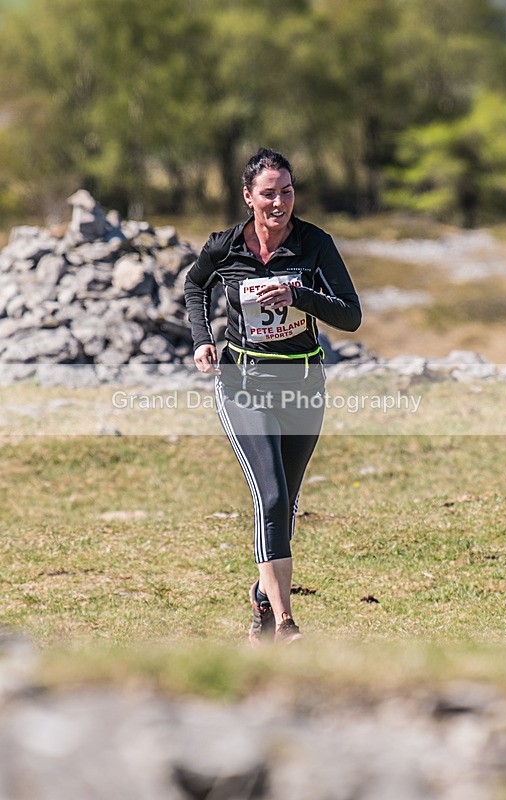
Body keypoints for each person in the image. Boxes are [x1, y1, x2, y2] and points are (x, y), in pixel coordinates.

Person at [184, 148, 361, 645]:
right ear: (248, 197)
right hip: (243, 387)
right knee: (272, 496)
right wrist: (202, 339)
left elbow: (350, 315)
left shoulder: (314, 245)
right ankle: (285, 623)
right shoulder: (225, 247)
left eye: (287, 191)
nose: (279, 202)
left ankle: (263, 596)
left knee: (287, 504)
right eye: (268, 194)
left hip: (303, 389)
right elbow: (194, 285)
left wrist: (297, 295)